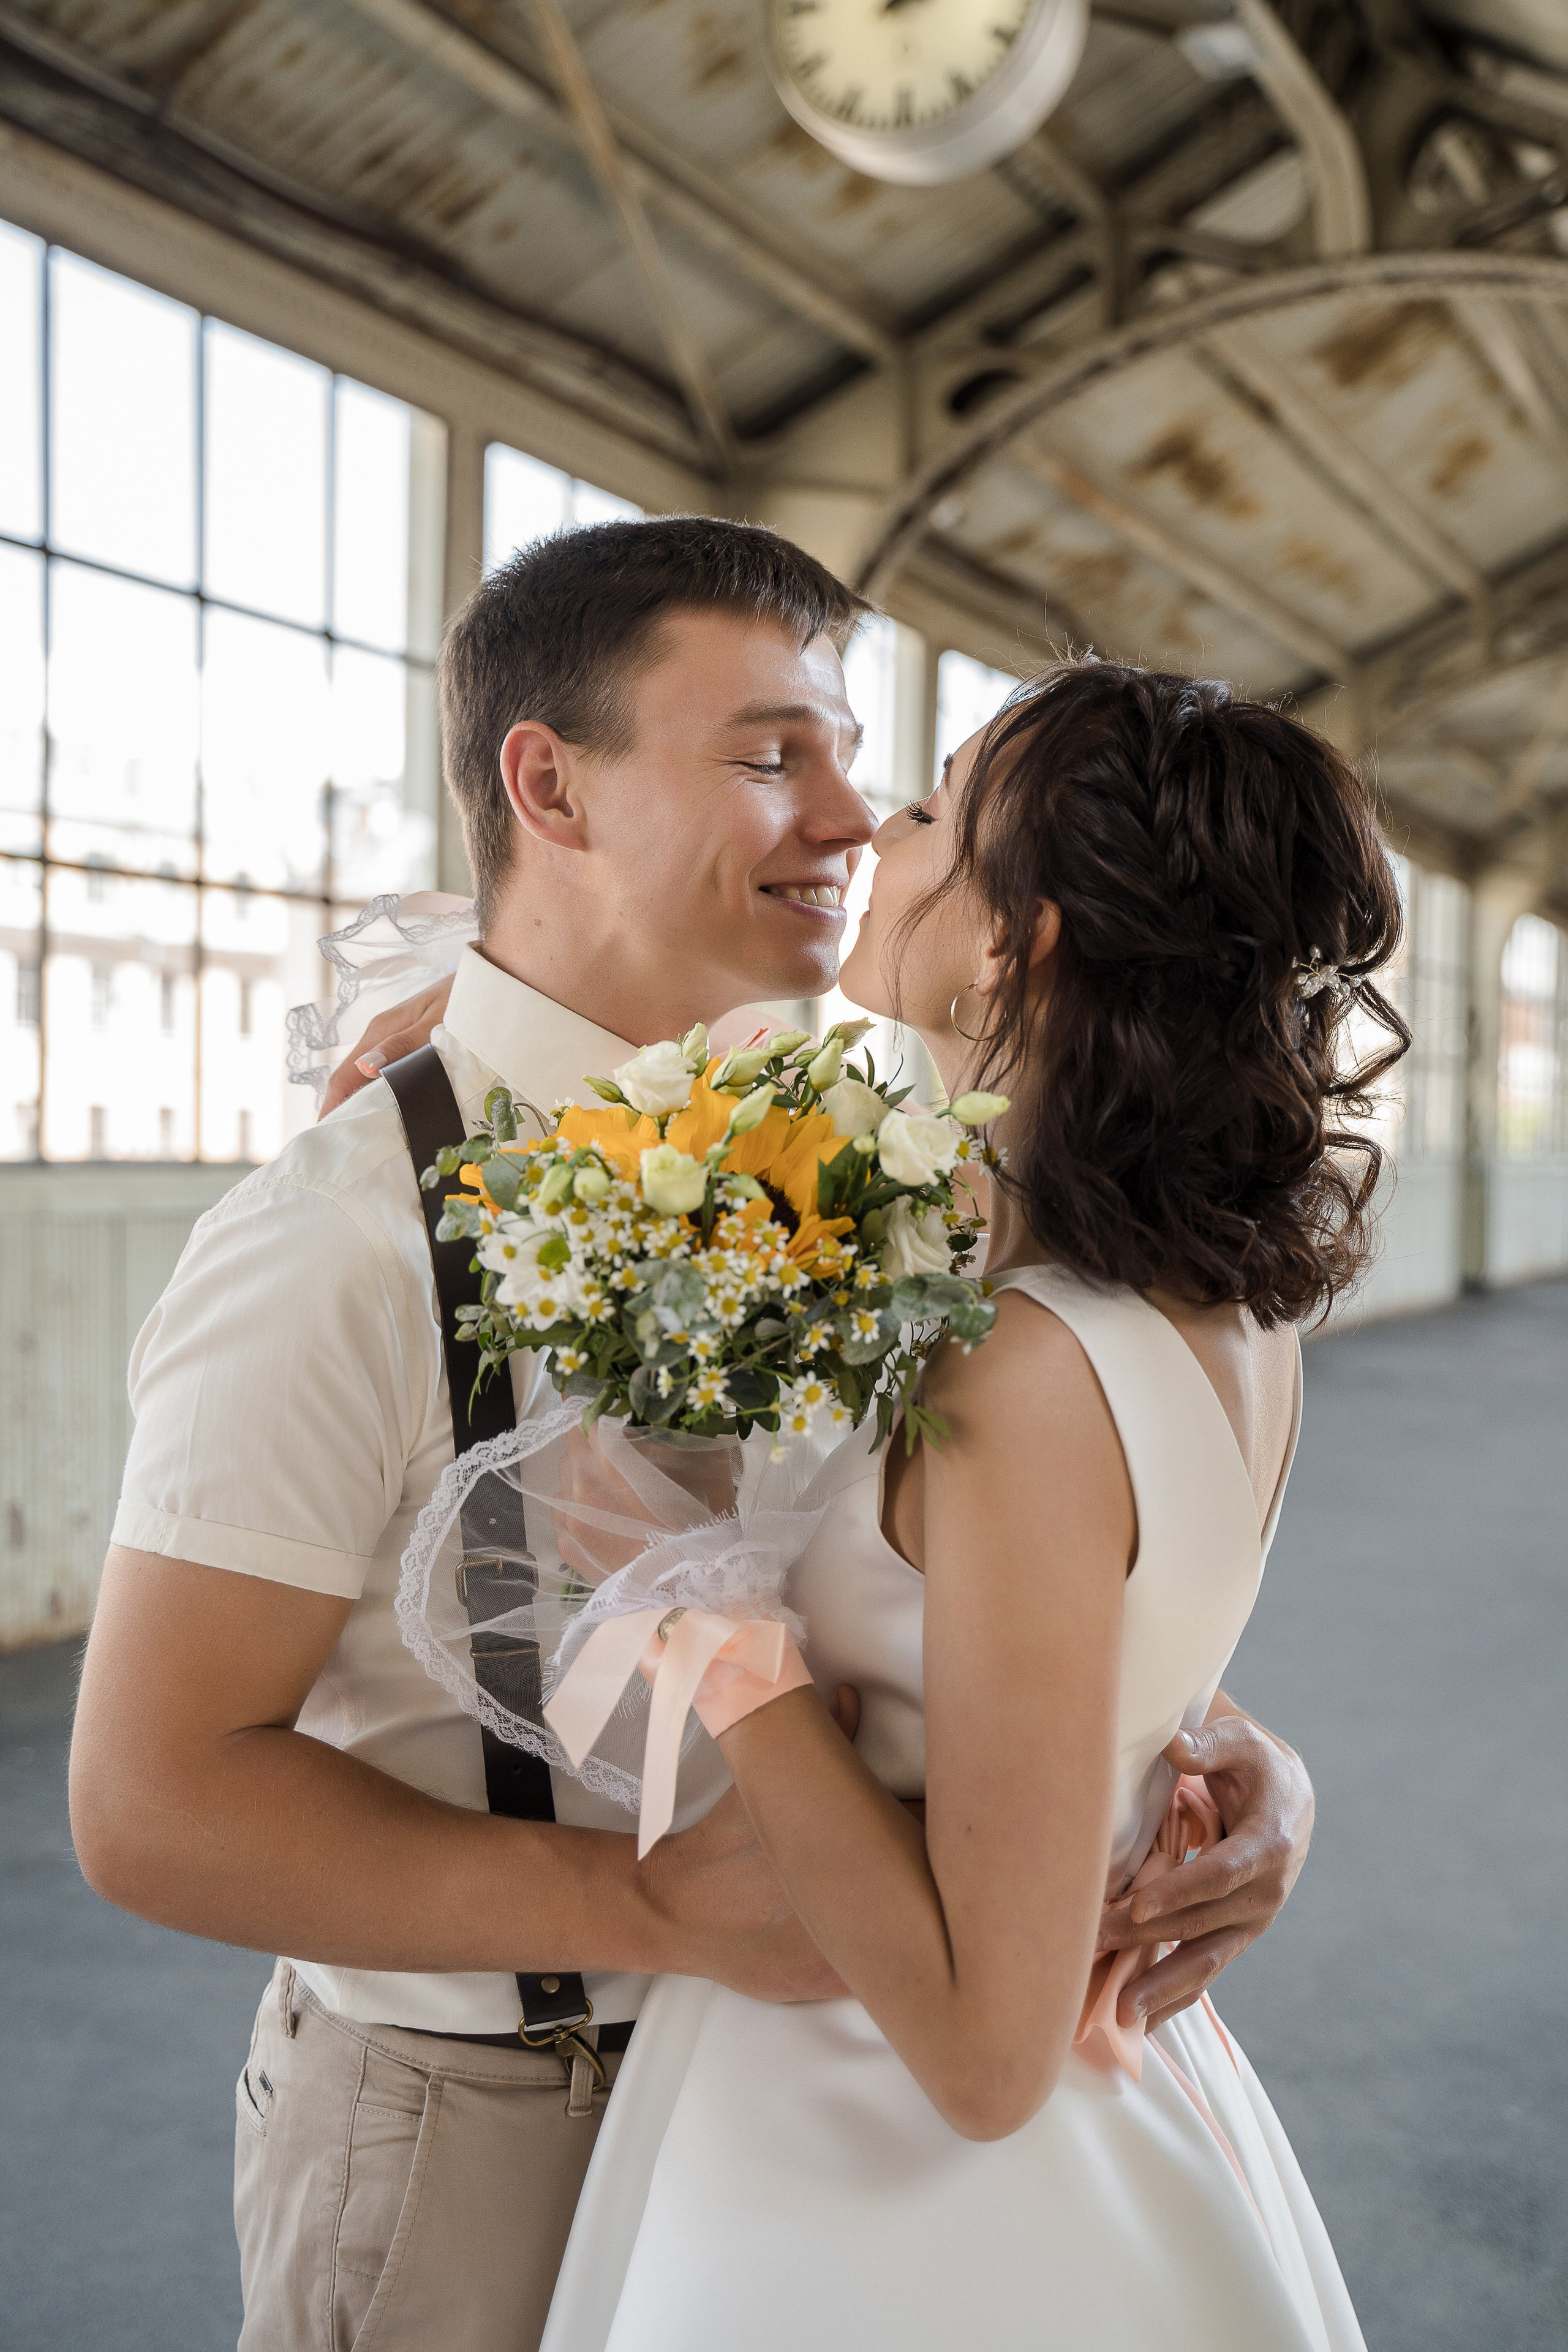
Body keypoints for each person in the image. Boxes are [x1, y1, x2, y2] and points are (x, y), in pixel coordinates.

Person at [67, 518, 1314, 2352]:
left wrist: (1204, 1756)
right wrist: (645, 1905)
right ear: (548, 787)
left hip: (845, 2127)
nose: (849, 819)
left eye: (863, 763)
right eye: (768, 756)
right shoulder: (338, 1239)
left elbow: (989, 1586)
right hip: (501, 2120)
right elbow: (146, 1806)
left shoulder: (888, 1153)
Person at [533, 658, 1404, 2352]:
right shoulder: (1222, 1310)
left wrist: (704, 1618)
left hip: (902, 2177)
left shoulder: (1020, 1368)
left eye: (934, 809)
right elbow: (1115, 1659)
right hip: (1120, 2093)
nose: (879, 830)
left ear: (1022, 942)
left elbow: (986, 2062)